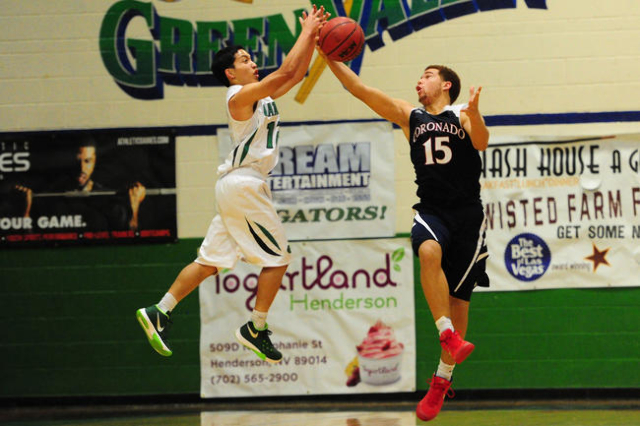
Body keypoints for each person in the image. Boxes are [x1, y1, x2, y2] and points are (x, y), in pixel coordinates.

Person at [136, 6, 329, 363]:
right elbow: (286, 70)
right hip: (244, 184)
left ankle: (158, 311)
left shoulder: (261, 96)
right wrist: (308, 31)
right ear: (230, 72)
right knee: (279, 259)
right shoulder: (237, 97)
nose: (252, 61)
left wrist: (313, 38)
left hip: (235, 185)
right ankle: (255, 327)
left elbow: (295, 73)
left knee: (209, 261)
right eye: (244, 59)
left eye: (251, 58)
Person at [320, 55, 490, 421]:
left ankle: (442, 380)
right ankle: (444, 332)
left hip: (468, 217)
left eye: (427, 76)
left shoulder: (461, 114)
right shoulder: (410, 117)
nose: (419, 81)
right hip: (431, 210)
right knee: (427, 250)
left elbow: (481, 142)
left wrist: (475, 112)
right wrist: (329, 57)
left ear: (445, 85)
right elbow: (359, 89)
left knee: (459, 302)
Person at [11, 140, 147, 231]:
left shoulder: (107, 198)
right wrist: (25, 212)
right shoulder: (50, 197)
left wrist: (134, 206)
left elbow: (129, 238)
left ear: (94, 162)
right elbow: (33, 242)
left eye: (87, 161)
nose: (82, 168)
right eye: (77, 161)